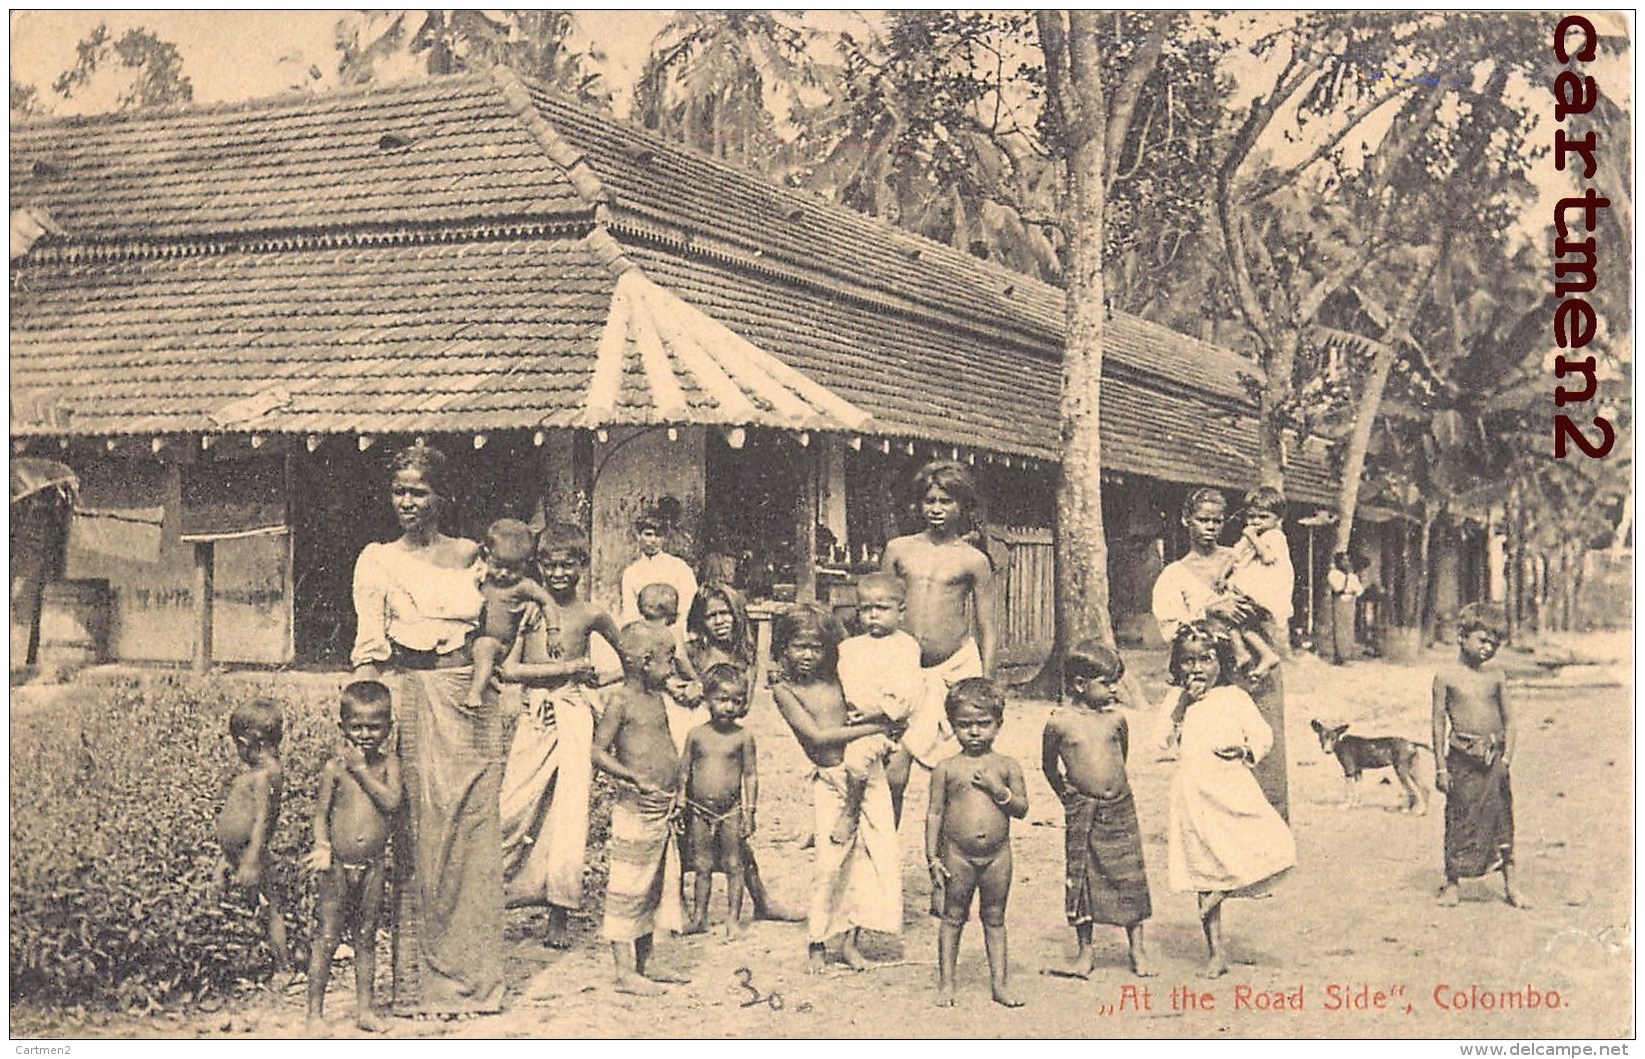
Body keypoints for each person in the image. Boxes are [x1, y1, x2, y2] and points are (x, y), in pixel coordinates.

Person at [351, 442, 503, 1016]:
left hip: (471, 704)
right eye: (400, 492)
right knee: (418, 835)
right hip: (411, 699)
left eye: (419, 492)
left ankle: (476, 983)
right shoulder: (379, 560)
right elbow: (370, 648)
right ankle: (418, 987)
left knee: (472, 834)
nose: (408, 502)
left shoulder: (472, 556)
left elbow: (498, 626)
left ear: (442, 497)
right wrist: (365, 713)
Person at [497, 522, 620, 949]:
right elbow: (508, 670)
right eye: (549, 564)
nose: (558, 573)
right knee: (511, 806)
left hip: (574, 712)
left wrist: (597, 682)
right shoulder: (529, 610)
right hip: (534, 713)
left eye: (568, 564)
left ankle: (559, 912)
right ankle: (498, 896)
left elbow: (629, 658)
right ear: (538, 565)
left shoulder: (592, 613)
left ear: (583, 566)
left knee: (569, 814)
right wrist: (566, 669)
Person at [770, 604, 902, 975]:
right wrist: (873, 729)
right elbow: (817, 736)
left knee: (870, 858)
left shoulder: (842, 677)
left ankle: (850, 943)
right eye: (799, 646)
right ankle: (818, 940)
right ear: (784, 648)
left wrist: (881, 721)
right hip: (831, 780)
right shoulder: (785, 690)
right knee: (829, 864)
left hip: (866, 772)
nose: (808, 655)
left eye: (816, 647)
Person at [1165, 622, 1296, 979]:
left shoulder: (1234, 698)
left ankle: (1225, 890)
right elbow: (1161, 741)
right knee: (1203, 870)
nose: (1196, 669)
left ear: (1219, 662)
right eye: (1188, 662)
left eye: (1205, 659)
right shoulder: (1177, 701)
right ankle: (1216, 951)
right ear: (1177, 667)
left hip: (1232, 789)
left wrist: (1244, 748)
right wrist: (1181, 705)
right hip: (1193, 795)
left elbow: (1263, 736)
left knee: (1275, 844)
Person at [1152, 487, 1290, 820]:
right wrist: (1212, 610)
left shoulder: (1240, 557)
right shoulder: (1175, 574)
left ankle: (1271, 833)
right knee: (1216, 755)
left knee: (1264, 746)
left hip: (1255, 667)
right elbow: (1172, 630)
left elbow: (1276, 588)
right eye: (1202, 520)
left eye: (1216, 520)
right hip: (1211, 676)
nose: (1210, 527)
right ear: (1187, 521)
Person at [882, 459, 998, 824]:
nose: (935, 509)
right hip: (905, 669)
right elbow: (878, 607)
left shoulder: (973, 560)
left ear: (962, 506)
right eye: (929, 500)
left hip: (955, 669)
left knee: (956, 774)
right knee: (892, 773)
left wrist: (986, 685)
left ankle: (950, 866)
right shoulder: (899, 550)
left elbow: (988, 627)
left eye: (945, 501)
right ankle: (881, 862)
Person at [682, 581, 803, 923]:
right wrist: (685, 685)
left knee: (733, 832)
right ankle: (678, 901)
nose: (720, 622)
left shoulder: (744, 656)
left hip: (726, 744)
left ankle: (760, 898)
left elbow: (745, 705)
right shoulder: (692, 651)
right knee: (684, 828)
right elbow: (668, 680)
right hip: (691, 738)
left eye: (726, 614)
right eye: (712, 616)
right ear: (700, 620)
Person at [1041, 640, 1153, 980]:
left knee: (1128, 877)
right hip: (1082, 810)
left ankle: (1138, 950)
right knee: (1082, 882)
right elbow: (1049, 767)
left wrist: (1110, 790)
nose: (1114, 690)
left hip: (1119, 808)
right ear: (1080, 684)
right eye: (1107, 683)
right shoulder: (1059, 723)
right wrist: (1070, 798)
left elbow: (1121, 758)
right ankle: (1085, 953)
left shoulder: (1116, 720)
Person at [592, 622, 691, 995]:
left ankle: (646, 961)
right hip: (637, 807)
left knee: (654, 885)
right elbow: (597, 751)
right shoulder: (620, 701)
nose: (674, 667)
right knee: (628, 887)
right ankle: (623, 971)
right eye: (670, 660)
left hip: (662, 805)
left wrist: (677, 786)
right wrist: (632, 777)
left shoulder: (656, 697)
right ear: (647, 662)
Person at [305, 680, 403, 1032]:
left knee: (366, 936)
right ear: (342, 727)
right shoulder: (335, 768)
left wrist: (361, 771)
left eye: (374, 726)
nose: (365, 734)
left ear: (388, 728)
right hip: (337, 866)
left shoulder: (388, 763)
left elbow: (392, 802)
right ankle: (314, 1014)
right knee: (327, 936)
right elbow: (320, 815)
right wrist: (321, 847)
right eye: (357, 726)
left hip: (373, 865)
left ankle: (365, 1010)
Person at [926, 678, 1027, 1008]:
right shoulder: (946, 768)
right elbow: (935, 814)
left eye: (983, 724)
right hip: (957, 856)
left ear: (998, 724)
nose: (974, 732)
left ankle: (1000, 984)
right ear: (952, 725)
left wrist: (1000, 791)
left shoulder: (1006, 766)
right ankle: (946, 984)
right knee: (952, 917)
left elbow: (1022, 809)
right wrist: (932, 857)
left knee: (995, 918)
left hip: (998, 856)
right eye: (964, 725)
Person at [1432, 603, 1528, 909]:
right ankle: (1452, 882)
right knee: (1459, 818)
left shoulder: (1496, 677)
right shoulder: (1446, 677)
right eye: (1482, 640)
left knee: (1501, 819)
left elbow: (1510, 721)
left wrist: (1507, 760)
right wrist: (1440, 768)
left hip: (1494, 760)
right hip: (1461, 759)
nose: (1488, 648)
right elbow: (1437, 722)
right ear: (1462, 636)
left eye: (1494, 643)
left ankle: (1511, 885)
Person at [834, 571, 926, 844]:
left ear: (901, 611)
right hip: (858, 726)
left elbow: (908, 694)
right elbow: (842, 684)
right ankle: (850, 813)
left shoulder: (906, 647)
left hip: (892, 726)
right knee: (853, 768)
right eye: (866, 609)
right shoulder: (850, 647)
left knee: (893, 783)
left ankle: (886, 835)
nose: (873, 615)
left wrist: (878, 711)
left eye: (882, 608)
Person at [678, 663, 759, 938]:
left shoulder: (743, 736)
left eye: (736, 701)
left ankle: (733, 920)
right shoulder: (696, 735)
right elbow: (685, 770)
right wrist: (680, 800)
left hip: (731, 810)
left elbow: (750, 774)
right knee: (701, 865)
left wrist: (749, 811)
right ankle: (700, 917)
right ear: (707, 698)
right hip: (699, 810)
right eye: (722, 699)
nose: (729, 707)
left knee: (735, 864)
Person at [213, 698, 291, 981]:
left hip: (250, 854)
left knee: (270, 908)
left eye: (237, 745)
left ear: (246, 743)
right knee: (254, 907)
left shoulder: (264, 776)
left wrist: (251, 859)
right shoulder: (263, 773)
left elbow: (262, 821)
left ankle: (283, 968)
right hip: (239, 854)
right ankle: (249, 957)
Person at [466, 518, 554, 709]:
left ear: (526, 563)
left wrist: (554, 631)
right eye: (498, 565)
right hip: (474, 639)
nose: (504, 573)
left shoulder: (523, 586)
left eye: (513, 568)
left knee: (485, 646)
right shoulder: (481, 577)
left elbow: (547, 601)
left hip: (501, 646)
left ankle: (475, 693)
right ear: (487, 555)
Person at [1218, 487, 1293, 678]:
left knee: (1240, 620)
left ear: (1278, 519)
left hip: (1264, 591)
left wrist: (1250, 536)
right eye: (1251, 517)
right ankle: (1243, 652)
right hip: (1252, 589)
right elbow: (1236, 556)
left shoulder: (1274, 536)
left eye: (1263, 517)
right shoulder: (1258, 535)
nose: (1256, 522)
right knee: (1234, 620)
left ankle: (1263, 654)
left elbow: (1267, 557)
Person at [619, 509, 698, 642]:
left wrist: (677, 634)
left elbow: (689, 606)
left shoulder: (679, 567)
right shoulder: (631, 573)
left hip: (676, 634)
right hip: (645, 637)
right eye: (648, 534)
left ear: (665, 537)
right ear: (638, 536)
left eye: (659, 535)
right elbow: (630, 613)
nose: (653, 540)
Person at [1326, 550, 1363, 665]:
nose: (1346, 563)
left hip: (1350, 602)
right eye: (1343, 560)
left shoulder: (1352, 575)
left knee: (1348, 628)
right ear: (1338, 562)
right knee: (1339, 628)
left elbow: (1359, 590)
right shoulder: (1334, 574)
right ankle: (1339, 656)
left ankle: (1347, 655)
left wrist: (1351, 578)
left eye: (1348, 560)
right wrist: (1348, 583)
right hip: (1340, 601)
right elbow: (1338, 588)